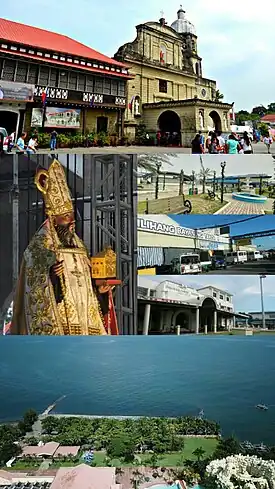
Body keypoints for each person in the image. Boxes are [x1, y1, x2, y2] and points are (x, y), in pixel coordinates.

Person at [10, 159, 119, 336]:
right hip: (60, 327)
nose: (72, 221)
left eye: (72, 216)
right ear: (53, 219)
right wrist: (52, 277)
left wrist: (100, 290)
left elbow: (87, 291)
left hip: (87, 329)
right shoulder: (39, 248)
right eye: (66, 216)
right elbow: (34, 289)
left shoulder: (80, 248)